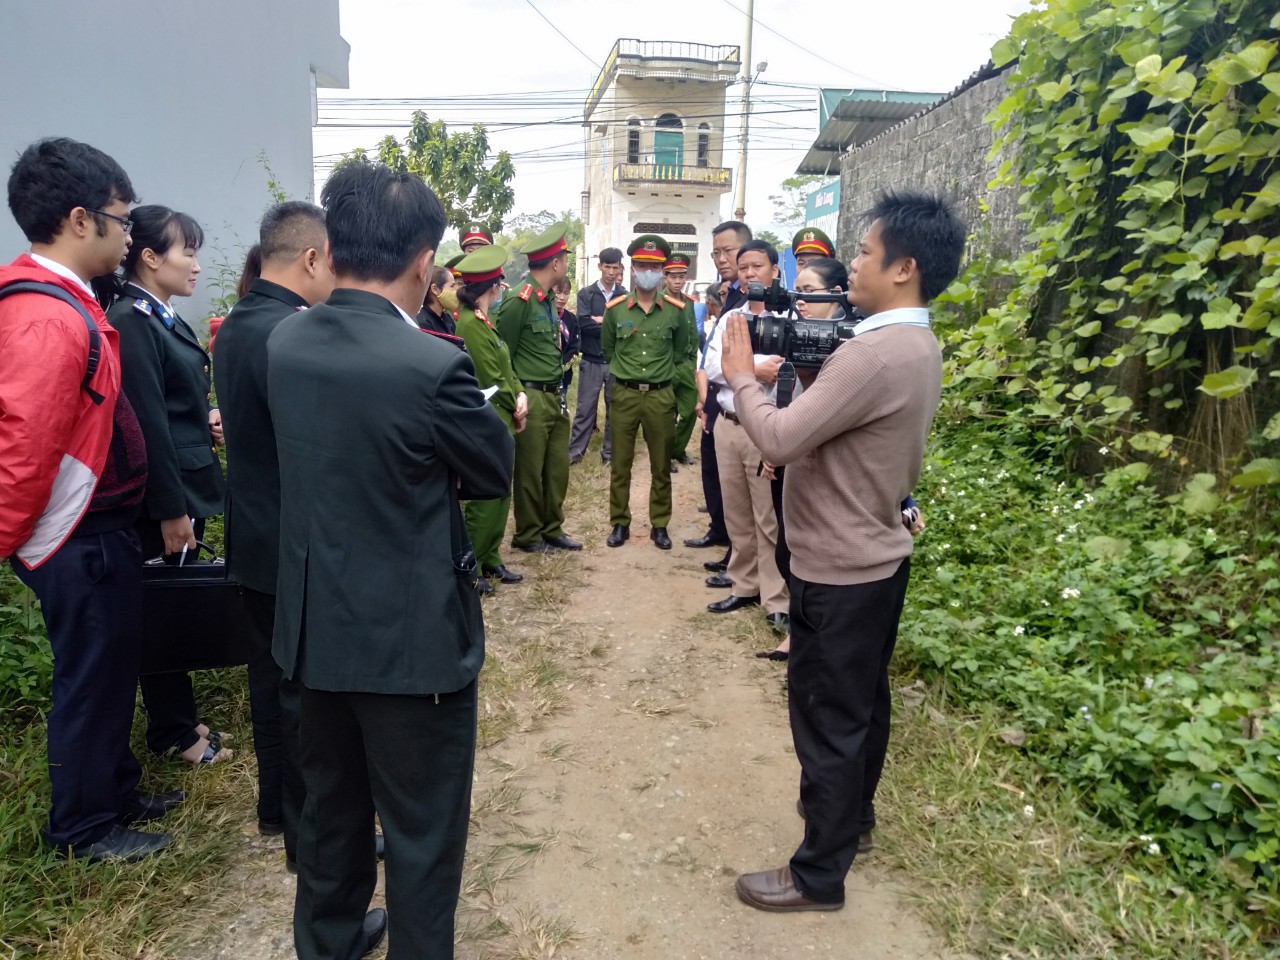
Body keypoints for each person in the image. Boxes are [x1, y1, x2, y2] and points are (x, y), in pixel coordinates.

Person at [268, 159, 514, 959]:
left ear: (332, 249)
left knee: (330, 814)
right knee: (421, 835)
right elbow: (491, 470)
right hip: (410, 650)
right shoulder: (432, 365)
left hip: (311, 634)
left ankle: (330, 945)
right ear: (423, 262)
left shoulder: (286, 342)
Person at [728, 190, 964, 913]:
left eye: (864, 251)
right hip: (876, 558)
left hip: (837, 562)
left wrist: (741, 373)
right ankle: (852, 821)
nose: (852, 262)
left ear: (904, 267)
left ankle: (816, 874)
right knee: (861, 702)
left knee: (826, 715)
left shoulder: (874, 353)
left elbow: (779, 437)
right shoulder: (916, 342)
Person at [0, 137, 184, 863]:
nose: (129, 233)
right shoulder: (46, 318)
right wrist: (19, 543)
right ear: (81, 220)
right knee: (91, 679)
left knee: (112, 673)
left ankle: (116, 792)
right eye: (122, 218)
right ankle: (82, 828)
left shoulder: (68, 301)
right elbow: (22, 450)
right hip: (73, 539)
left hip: (99, 532)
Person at [213, 200, 335, 864]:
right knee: (303, 701)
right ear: (311, 258)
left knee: (269, 685)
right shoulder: (292, 333)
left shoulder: (235, 325)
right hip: (292, 544)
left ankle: (275, 812)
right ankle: (308, 839)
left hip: (252, 538)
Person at [106, 205, 231, 766]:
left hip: (181, 482)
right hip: (164, 496)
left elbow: (173, 403)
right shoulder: (133, 320)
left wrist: (201, 416)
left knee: (172, 602)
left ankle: (176, 720)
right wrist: (170, 510)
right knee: (164, 607)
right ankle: (174, 733)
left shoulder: (160, 315)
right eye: (189, 252)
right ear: (151, 258)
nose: (197, 265)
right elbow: (147, 423)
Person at [702, 239, 793, 632]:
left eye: (757, 266)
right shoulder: (731, 318)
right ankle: (745, 584)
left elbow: (789, 370)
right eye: (744, 268)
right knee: (737, 512)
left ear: (775, 270)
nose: (750, 273)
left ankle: (776, 598)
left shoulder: (792, 318)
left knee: (768, 517)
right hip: (728, 422)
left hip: (766, 428)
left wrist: (737, 366)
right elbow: (711, 367)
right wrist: (754, 368)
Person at [493, 224, 582, 554]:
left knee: (556, 468)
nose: (566, 266)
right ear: (556, 264)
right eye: (565, 260)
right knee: (530, 471)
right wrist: (516, 396)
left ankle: (552, 528)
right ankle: (529, 534)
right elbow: (504, 352)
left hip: (555, 395)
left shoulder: (545, 301)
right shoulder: (520, 301)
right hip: (530, 395)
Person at [601, 235, 691, 551]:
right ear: (632, 269)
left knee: (661, 465)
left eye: (654, 266)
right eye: (642, 265)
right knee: (620, 464)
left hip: (659, 396)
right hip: (624, 394)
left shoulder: (676, 311)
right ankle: (619, 523)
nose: (647, 271)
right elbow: (608, 350)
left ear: (663, 271)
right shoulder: (615, 310)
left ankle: (660, 525)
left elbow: (680, 353)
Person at [454, 244, 529, 593]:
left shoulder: (486, 321)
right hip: (488, 419)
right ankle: (474, 565)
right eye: (499, 285)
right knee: (485, 500)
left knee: (502, 492)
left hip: (503, 416)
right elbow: (488, 378)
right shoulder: (470, 325)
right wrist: (514, 402)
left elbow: (507, 366)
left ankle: (492, 557)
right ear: (491, 288)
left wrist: (520, 395)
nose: (501, 291)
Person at [684, 222, 751, 555]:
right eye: (716, 252)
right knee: (712, 466)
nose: (721, 258)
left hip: (742, 402)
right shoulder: (729, 292)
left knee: (737, 482)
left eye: (728, 250)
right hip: (716, 395)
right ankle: (718, 528)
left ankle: (735, 546)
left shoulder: (753, 296)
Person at [569, 247, 624, 464]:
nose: (611, 271)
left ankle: (609, 454)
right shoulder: (586, 294)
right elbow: (583, 324)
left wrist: (601, 320)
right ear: (600, 266)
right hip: (591, 360)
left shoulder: (623, 295)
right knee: (585, 410)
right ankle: (574, 454)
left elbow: (627, 327)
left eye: (615, 267)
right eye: (607, 267)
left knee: (615, 410)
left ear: (620, 268)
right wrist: (612, 325)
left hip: (614, 362)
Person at [663, 252, 699, 469]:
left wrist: (693, 365)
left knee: (689, 411)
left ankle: (678, 450)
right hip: (666, 366)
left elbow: (693, 336)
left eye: (681, 276)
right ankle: (665, 455)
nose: (677, 281)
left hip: (685, 365)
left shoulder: (689, 303)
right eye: (673, 276)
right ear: (664, 277)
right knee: (666, 415)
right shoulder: (658, 302)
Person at [552, 275, 578, 391]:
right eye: (558, 292)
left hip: (564, 374)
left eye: (566, 293)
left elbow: (575, 347)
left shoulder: (571, 319)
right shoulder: (543, 314)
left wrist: (562, 368)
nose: (562, 297)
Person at [417, 265, 458, 335]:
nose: (456, 291)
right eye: (452, 286)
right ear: (435, 289)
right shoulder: (423, 323)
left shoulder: (446, 317)